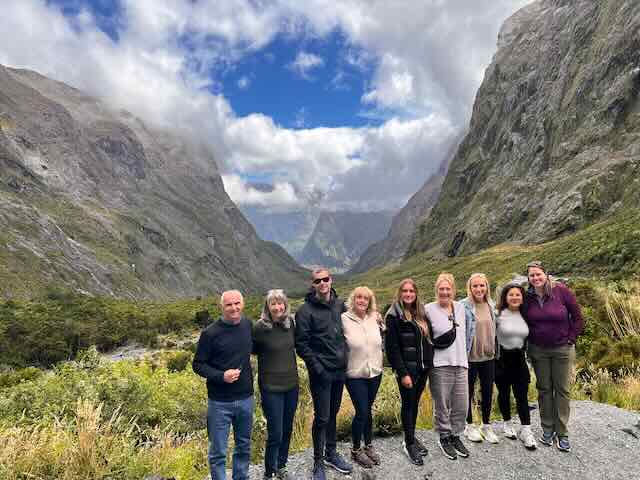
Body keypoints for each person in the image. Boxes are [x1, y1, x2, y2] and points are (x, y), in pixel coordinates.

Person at [295, 268, 353, 480]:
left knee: (333, 414)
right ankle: (318, 461)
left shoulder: (340, 305)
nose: (322, 283)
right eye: (317, 281)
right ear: (313, 285)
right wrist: (318, 368)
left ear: (331, 280)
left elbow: (351, 327)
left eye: (325, 279)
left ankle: (331, 453)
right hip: (321, 374)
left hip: (340, 371)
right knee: (322, 417)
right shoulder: (304, 311)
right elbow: (301, 344)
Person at [523, 261, 584, 453]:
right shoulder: (527, 297)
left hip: (562, 349)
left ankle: (562, 433)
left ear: (546, 275)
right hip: (538, 350)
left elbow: (578, 318)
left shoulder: (562, 291)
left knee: (562, 389)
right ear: (529, 278)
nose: (535, 278)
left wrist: (571, 338)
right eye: (532, 275)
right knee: (544, 389)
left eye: (538, 274)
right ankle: (547, 429)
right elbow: (522, 319)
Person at [193, 290, 254, 480]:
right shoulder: (210, 333)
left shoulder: (248, 325)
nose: (234, 308)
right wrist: (221, 376)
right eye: (229, 304)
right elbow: (198, 364)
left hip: (246, 398)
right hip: (219, 403)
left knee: (243, 446)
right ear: (222, 307)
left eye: (237, 303)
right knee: (218, 451)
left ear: (242, 304)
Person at [426, 273, 474, 461]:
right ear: (436, 290)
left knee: (461, 404)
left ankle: (456, 435)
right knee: (442, 404)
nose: (444, 292)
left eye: (448, 289)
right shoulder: (428, 309)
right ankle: (444, 437)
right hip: (439, 364)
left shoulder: (462, 308)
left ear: (453, 290)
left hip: (461, 363)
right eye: (441, 289)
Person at [385, 279, 433, 466]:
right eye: (405, 291)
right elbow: (392, 348)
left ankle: (410, 436)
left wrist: (428, 362)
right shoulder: (394, 315)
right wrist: (402, 372)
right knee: (408, 405)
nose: (408, 294)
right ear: (400, 293)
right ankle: (409, 444)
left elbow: (428, 340)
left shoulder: (420, 312)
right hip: (407, 371)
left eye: (411, 291)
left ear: (416, 293)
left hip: (422, 369)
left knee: (414, 404)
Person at [253, 289, 299, 480]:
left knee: (287, 428)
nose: (278, 307)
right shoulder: (260, 328)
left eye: (280, 303)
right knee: (276, 432)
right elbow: (251, 350)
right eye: (273, 303)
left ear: (285, 305)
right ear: (268, 307)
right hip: (271, 387)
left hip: (291, 385)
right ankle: (269, 471)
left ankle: (281, 466)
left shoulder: (291, 324)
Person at [342, 286, 384, 469]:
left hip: (375, 371)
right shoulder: (344, 319)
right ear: (353, 299)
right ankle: (356, 449)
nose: (361, 301)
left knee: (368, 410)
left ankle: (368, 445)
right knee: (362, 411)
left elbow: (381, 337)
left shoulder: (373, 318)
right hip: (354, 373)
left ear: (369, 302)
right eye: (358, 297)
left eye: (365, 298)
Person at [494, 283, 537, 449]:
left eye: (518, 294)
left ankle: (526, 430)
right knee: (504, 394)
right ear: (505, 297)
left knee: (522, 397)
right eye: (511, 294)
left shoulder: (526, 315)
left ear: (522, 297)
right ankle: (507, 423)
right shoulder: (498, 315)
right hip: (501, 362)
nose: (514, 297)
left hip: (519, 362)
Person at [461, 273, 499, 444]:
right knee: (467, 392)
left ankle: (486, 425)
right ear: (470, 288)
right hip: (470, 357)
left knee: (487, 392)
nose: (479, 289)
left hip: (488, 357)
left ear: (486, 287)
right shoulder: (463, 306)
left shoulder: (491, 305)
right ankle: (468, 425)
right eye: (475, 286)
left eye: (482, 285)